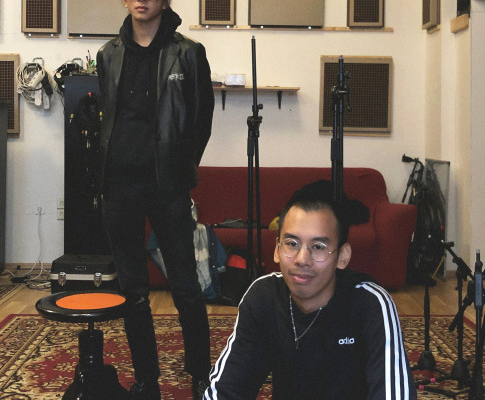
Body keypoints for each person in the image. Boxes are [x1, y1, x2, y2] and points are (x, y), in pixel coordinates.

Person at [96, 0, 214, 399]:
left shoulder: (189, 53)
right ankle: (147, 380)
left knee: (186, 286)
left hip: (168, 186)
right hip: (119, 185)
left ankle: (201, 374)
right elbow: (109, 117)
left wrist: (180, 167)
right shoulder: (108, 54)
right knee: (133, 291)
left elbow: (201, 120)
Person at [204, 180, 417, 400]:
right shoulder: (264, 297)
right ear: (277, 249)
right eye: (292, 244)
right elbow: (225, 390)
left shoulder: (370, 304)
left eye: (318, 247)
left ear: (343, 256)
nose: (302, 259)